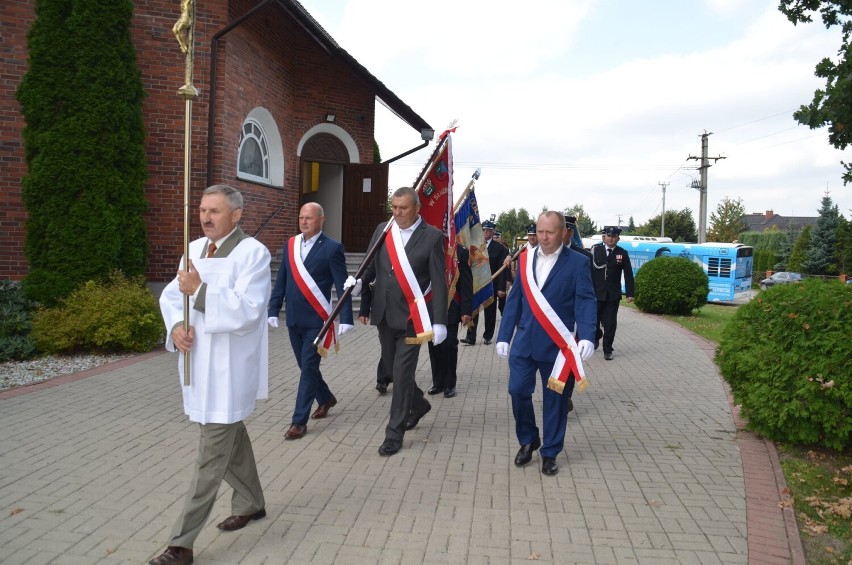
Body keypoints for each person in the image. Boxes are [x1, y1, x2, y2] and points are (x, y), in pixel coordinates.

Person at [152, 185, 271, 565]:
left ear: (236, 215)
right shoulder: (195, 249)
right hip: (198, 362)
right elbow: (172, 297)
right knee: (228, 435)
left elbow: (249, 310)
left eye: (214, 211)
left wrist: (200, 291)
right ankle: (252, 502)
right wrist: (174, 327)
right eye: (202, 210)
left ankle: (180, 543)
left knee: (210, 455)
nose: (205, 217)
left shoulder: (253, 254)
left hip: (230, 367)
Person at [495, 211, 596, 477]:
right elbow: (515, 299)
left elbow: (585, 300)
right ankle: (529, 439)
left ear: (563, 232)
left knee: (556, 402)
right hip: (525, 343)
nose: (544, 237)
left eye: (550, 232)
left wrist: (587, 335)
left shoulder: (577, 262)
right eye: (540, 232)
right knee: (517, 391)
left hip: (558, 348)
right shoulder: (525, 259)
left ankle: (550, 452)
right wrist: (504, 335)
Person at [355, 186, 448, 456]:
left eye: (403, 208)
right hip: (385, 314)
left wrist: (439, 320)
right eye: (394, 208)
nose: (398, 213)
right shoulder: (384, 229)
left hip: (412, 318)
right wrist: (360, 284)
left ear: (417, 208)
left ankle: (394, 434)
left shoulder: (432, 237)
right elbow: (371, 265)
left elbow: (439, 282)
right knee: (395, 374)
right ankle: (418, 405)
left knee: (403, 372)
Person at [267, 202, 353, 440]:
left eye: (309, 218)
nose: (304, 221)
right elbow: (281, 281)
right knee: (305, 367)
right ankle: (326, 398)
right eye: (301, 217)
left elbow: (342, 284)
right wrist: (273, 309)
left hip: (317, 321)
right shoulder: (291, 245)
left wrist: (345, 317)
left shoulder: (333, 248)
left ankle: (298, 421)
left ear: (321, 220)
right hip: (294, 319)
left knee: (308, 369)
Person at [427, 242, 473, 398]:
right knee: (434, 345)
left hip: (452, 306)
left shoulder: (460, 252)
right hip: (431, 306)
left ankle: (449, 384)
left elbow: (466, 283)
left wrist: (466, 310)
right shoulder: (428, 246)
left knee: (449, 345)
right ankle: (437, 382)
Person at [590, 225, 635, 360]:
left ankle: (608, 349)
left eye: (614, 236)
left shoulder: (622, 253)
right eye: (609, 236)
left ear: (618, 238)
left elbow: (628, 274)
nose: (611, 239)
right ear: (604, 237)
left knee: (610, 323)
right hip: (596, 293)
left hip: (612, 294)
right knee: (593, 321)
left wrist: (630, 293)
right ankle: (596, 336)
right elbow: (588, 271)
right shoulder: (595, 250)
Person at [462, 219, 508, 345]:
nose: (486, 232)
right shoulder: (473, 246)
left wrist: (501, 288)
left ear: (493, 232)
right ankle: (470, 337)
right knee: (473, 310)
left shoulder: (500, 248)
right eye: (484, 230)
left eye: (489, 230)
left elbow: (502, 270)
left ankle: (488, 335)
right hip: (476, 283)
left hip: (491, 283)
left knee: (490, 312)